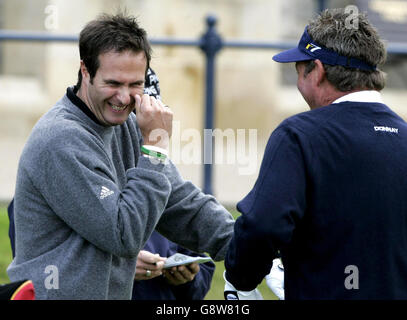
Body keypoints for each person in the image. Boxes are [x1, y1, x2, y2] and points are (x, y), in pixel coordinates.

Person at [7, 12, 234, 300]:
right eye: (113, 83)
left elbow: (180, 203)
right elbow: (123, 234)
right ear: (85, 71)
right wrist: (155, 147)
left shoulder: (127, 125)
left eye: (135, 84)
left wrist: (252, 244)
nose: (125, 98)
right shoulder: (60, 138)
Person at [224, 8, 407, 300]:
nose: (299, 82)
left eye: (299, 69)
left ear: (318, 71)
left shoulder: (299, 135)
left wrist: (240, 280)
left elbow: (262, 226)